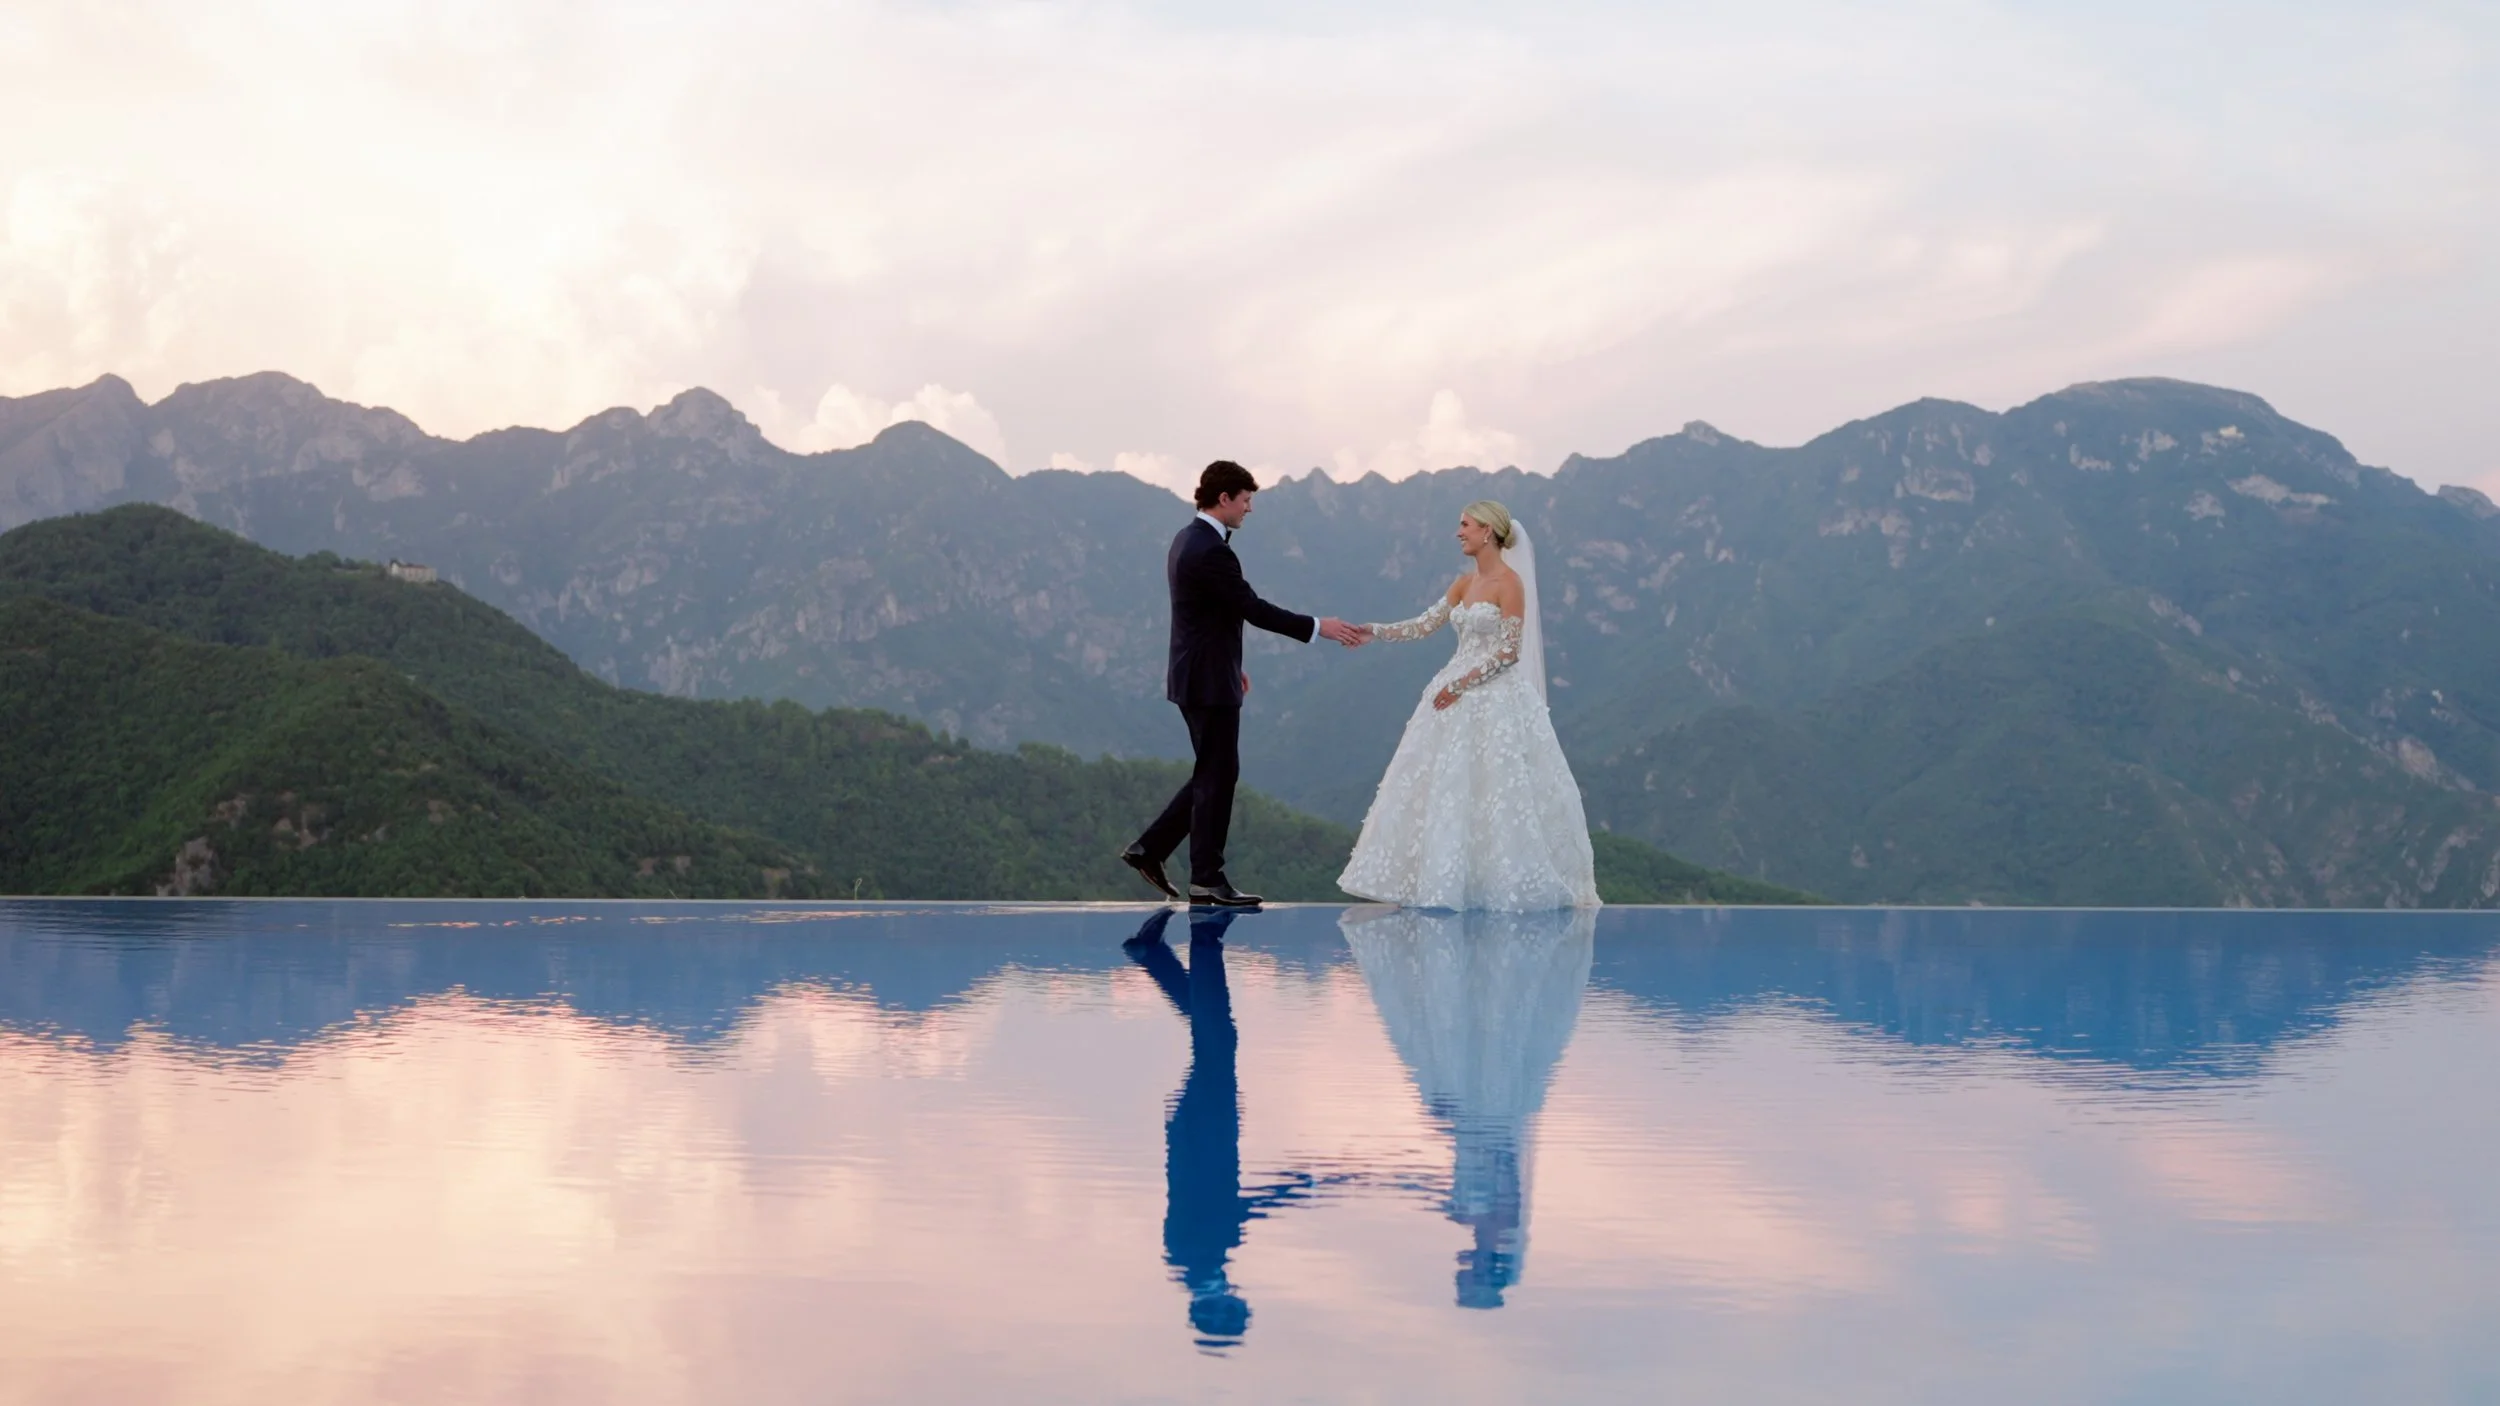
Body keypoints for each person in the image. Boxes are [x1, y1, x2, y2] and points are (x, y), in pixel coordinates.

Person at [1336, 500, 1599, 911]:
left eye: (1465, 525)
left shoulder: (1509, 584)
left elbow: (1509, 652)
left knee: (1496, 790)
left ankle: (1497, 887)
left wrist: (1462, 683)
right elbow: (1424, 625)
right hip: (1450, 698)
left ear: (1488, 532)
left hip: (1492, 699)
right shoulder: (1462, 583)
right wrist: (1375, 631)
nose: (1458, 533)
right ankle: (1444, 883)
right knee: (1447, 791)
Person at [1123, 461, 1364, 907]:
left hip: (1201, 671)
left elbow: (1207, 614)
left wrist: (1229, 664)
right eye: (1247, 499)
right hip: (1206, 680)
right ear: (1224, 499)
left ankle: (1151, 849)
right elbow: (1251, 607)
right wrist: (1318, 626)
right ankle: (1205, 879)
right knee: (1218, 773)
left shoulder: (1185, 539)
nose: (1250, 509)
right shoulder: (1211, 550)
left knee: (1213, 770)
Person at [1123, 907, 1319, 1349]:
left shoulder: (1200, 1258)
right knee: (1214, 1035)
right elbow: (1236, 1209)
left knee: (1219, 1037)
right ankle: (1152, 954)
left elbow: (1236, 1209)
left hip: (1205, 1128)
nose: (1238, 1297)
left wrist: (1295, 1188)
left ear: (1220, 1307)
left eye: (1234, 1307)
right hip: (1198, 1130)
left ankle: (1201, 939)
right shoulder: (1191, 1260)